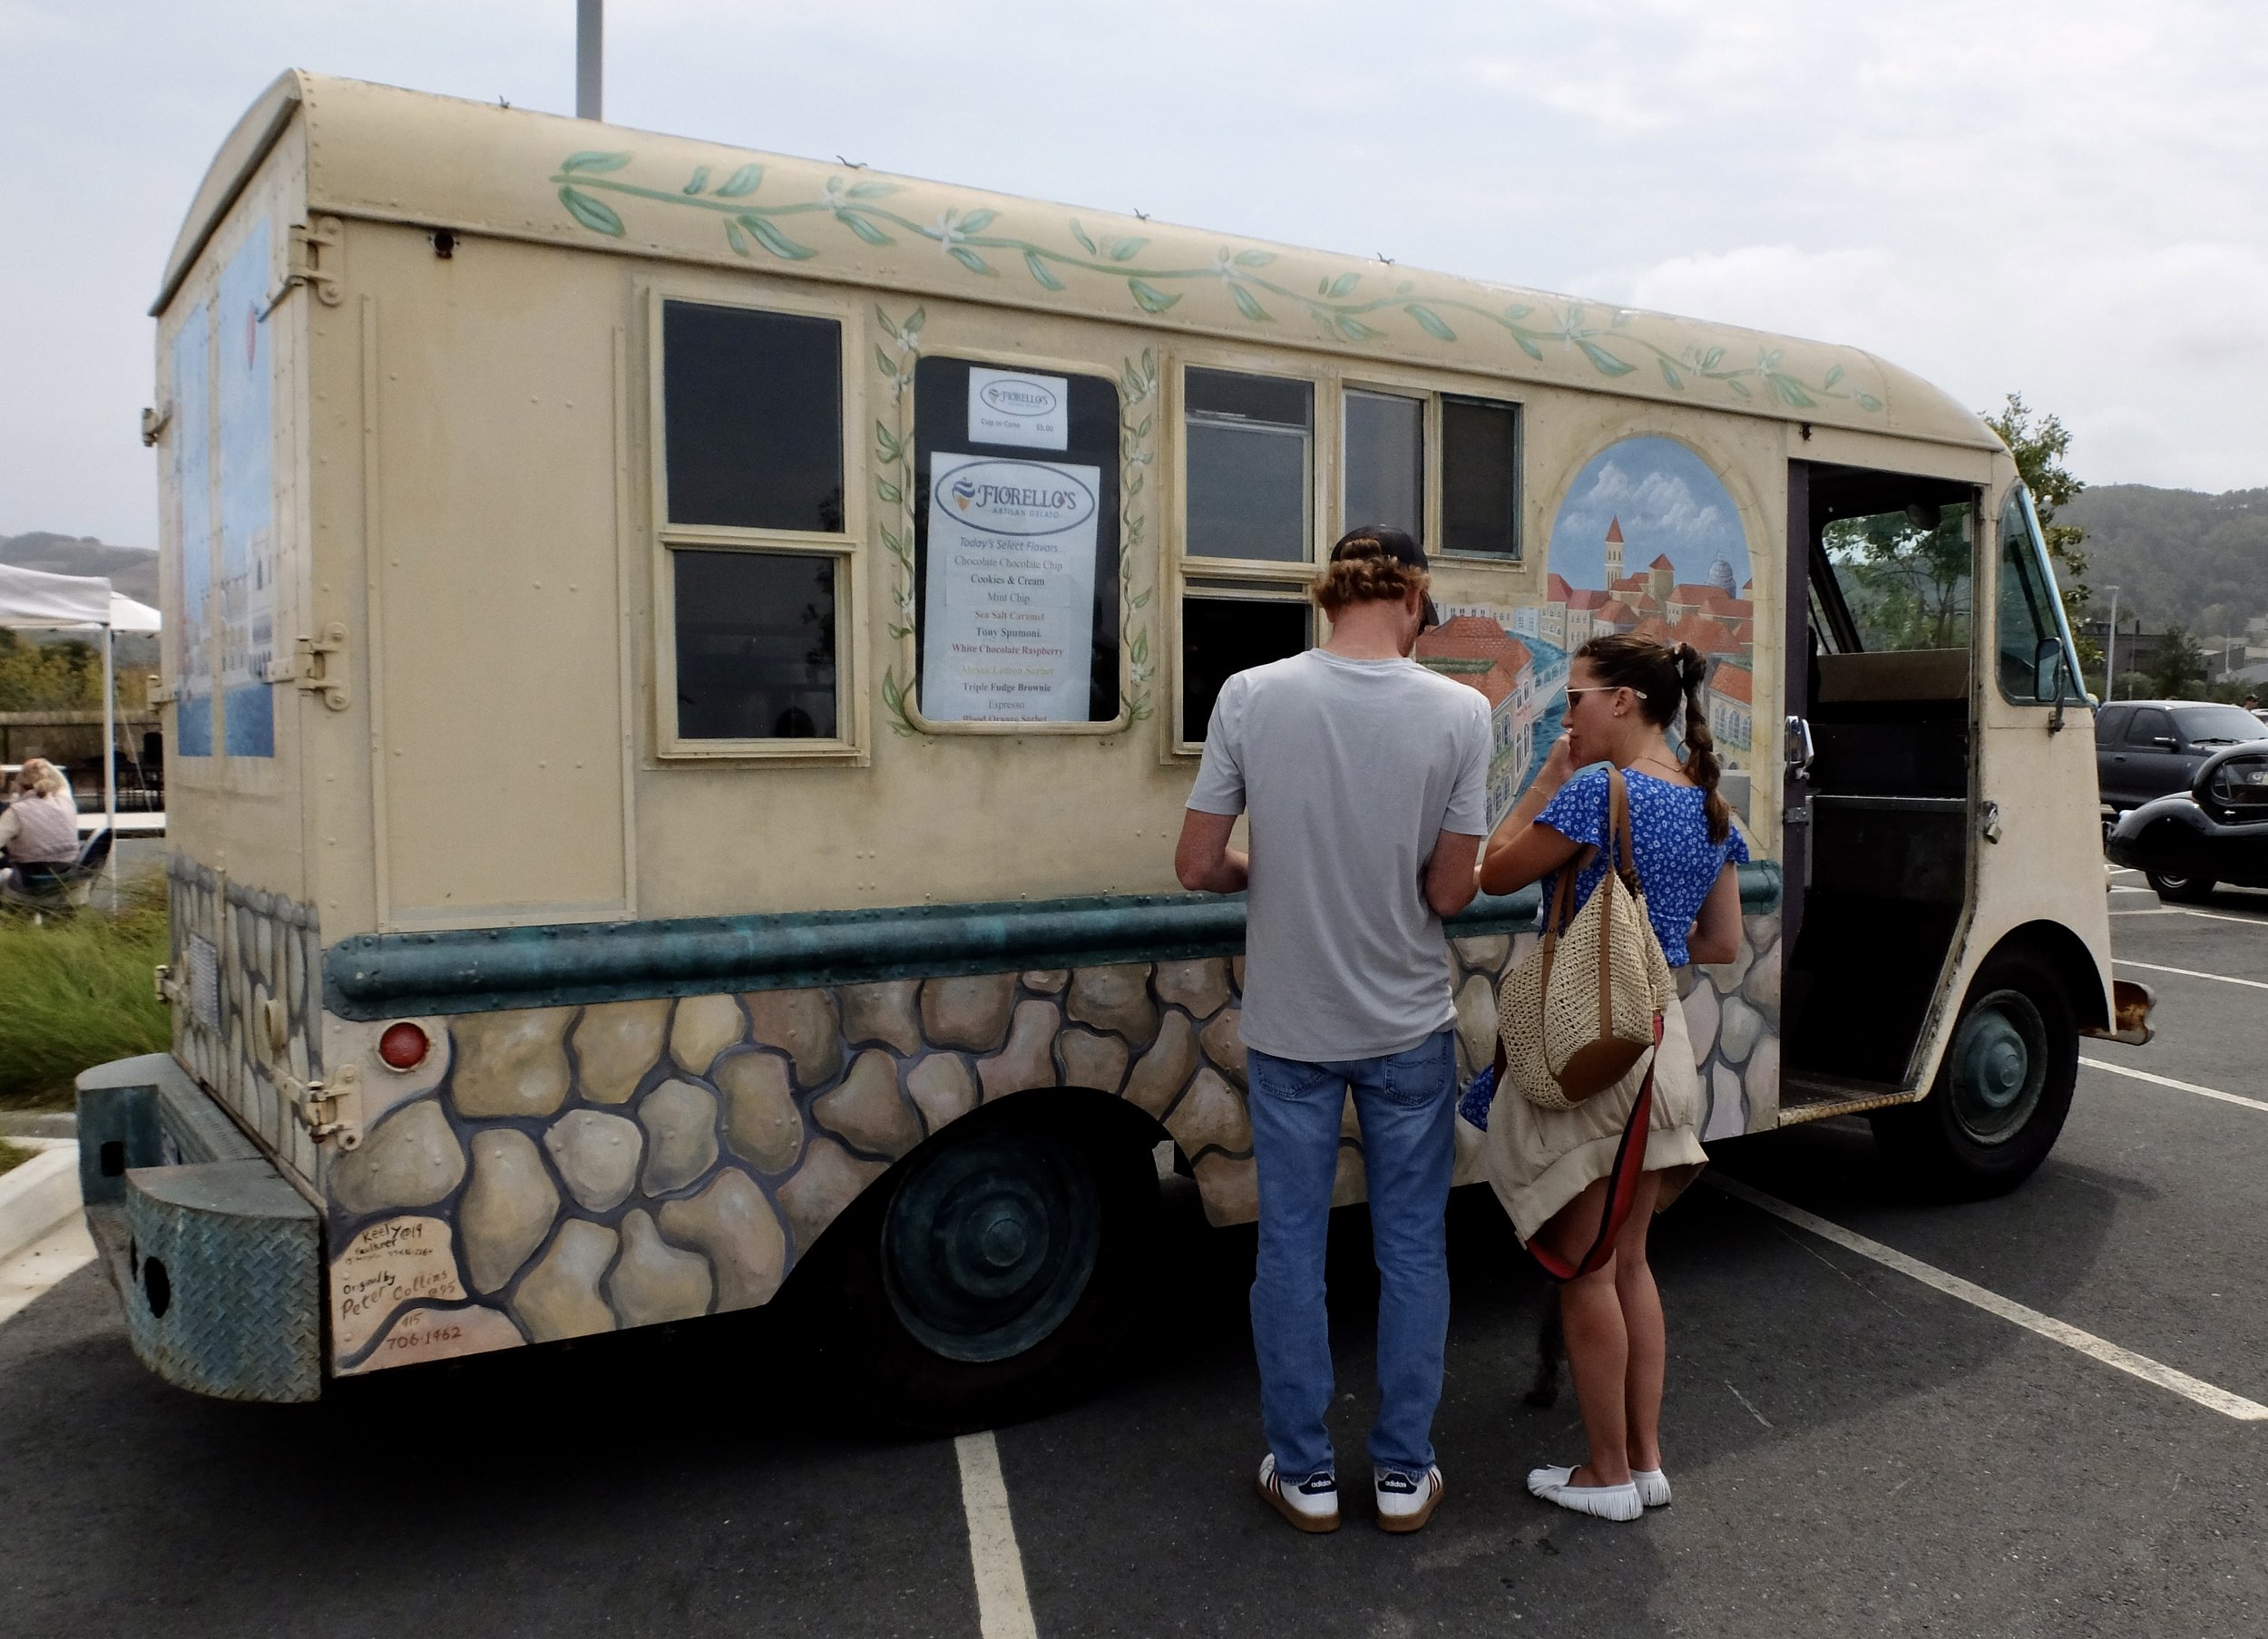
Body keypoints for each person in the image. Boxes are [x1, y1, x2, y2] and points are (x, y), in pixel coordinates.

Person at [1175, 526, 1489, 1537]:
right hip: (1406, 1024)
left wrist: (1267, 871)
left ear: (1329, 596)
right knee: (1410, 1251)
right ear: (1412, 599)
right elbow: (1447, 890)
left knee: (1291, 1254)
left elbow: (1196, 863)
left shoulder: (1250, 694)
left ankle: (1304, 1474)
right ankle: (1403, 1474)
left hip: (1291, 1026)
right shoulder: (1461, 712)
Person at [1477, 636, 1746, 1523]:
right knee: (1629, 1261)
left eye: (1578, 699)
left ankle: (1605, 1474)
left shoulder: (1596, 790)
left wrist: (1547, 779)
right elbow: (1720, 943)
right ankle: (1647, 1460)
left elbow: (1491, 872)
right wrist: (1645, 942)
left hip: (1589, 1052)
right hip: (1658, 1042)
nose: (1569, 717)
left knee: (1585, 1270)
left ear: (1624, 702)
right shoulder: (1709, 804)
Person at [0, 758, 81, 896]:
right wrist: (43, 764)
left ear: (20, 784)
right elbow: (62, 782)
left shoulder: (16, 812)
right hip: (66, 877)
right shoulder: (66, 802)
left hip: (28, 880)